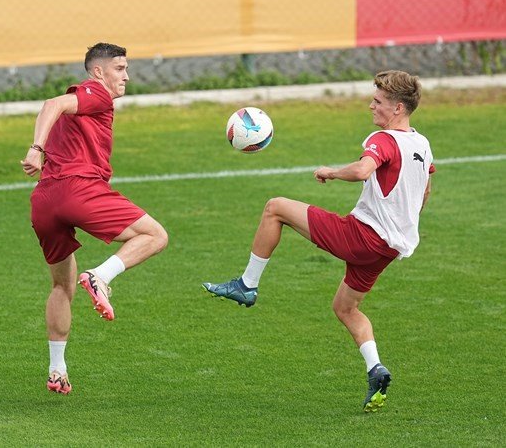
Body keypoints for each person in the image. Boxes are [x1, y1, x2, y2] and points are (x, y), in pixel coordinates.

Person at [203, 70, 434, 412]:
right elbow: (424, 191)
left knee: (275, 208)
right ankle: (376, 369)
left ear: (398, 108)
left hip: (362, 237)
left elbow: (361, 170)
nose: (371, 105)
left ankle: (247, 284)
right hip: (387, 249)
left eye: (378, 101)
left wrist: (330, 172)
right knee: (345, 308)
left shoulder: (384, 139)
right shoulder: (422, 144)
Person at [21, 43, 168, 395]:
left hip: (44, 201)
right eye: (120, 68)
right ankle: (100, 277)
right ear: (99, 72)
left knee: (61, 286)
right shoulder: (95, 93)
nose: (127, 76)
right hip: (78, 190)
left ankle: (57, 369)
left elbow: (55, 109)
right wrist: (36, 148)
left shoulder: (91, 99)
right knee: (155, 236)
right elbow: (52, 103)